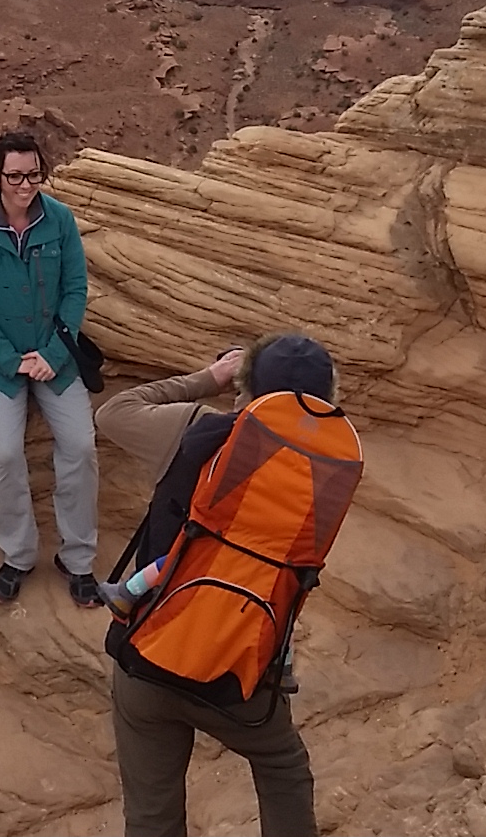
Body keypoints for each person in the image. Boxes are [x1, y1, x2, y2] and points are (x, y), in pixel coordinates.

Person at [102, 334, 349, 837]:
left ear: (243, 386)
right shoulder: (325, 474)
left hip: (149, 652)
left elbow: (115, 412)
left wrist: (208, 379)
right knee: (282, 766)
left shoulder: (189, 428)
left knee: (151, 817)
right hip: (240, 674)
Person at [0, 128, 100, 606]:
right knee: (8, 455)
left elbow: (75, 290)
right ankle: (18, 557)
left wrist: (51, 357)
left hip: (53, 358)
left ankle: (77, 560)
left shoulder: (59, 220)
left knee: (80, 445)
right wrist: (11, 360)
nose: (25, 185)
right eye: (14, 176)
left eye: (33, 174)